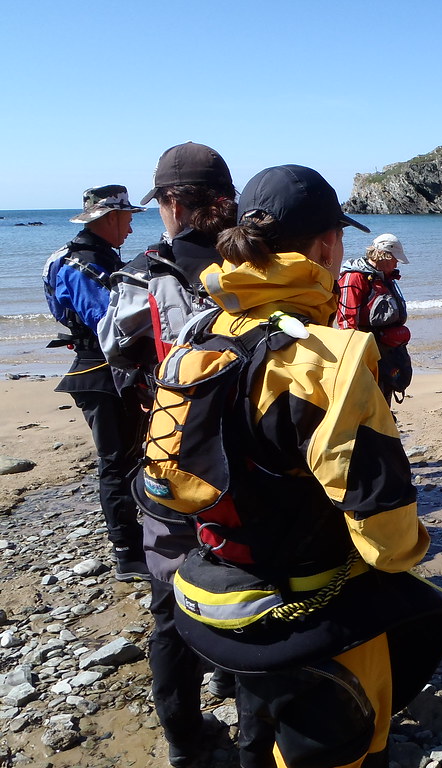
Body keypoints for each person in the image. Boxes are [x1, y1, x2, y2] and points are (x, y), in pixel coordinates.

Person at [151, 165, 442, 768]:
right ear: (327, 246)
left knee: (260, 728)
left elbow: (166, 482)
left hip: (216, 599)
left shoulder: (199, 336)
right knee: (347, 739)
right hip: (312, 612)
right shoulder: (329, 361)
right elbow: (389, 537)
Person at [98, 142, 239, 768]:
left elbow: (115, 347)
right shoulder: (257, 263)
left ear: (173, 204)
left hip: (174, 459)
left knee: (169, 603)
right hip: (253, 457)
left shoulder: (143, 275)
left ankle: (184, 739)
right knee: (251, 575)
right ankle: (239, 684)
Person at [42, 185, 149, 581]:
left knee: (126, 459)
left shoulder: (76, 258)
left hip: (99, 369)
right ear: (109, 218)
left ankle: (136, 542)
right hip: (102, 374)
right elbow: (112, 326)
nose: (131, 228)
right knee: (117, 463)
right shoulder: (84, 265)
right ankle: (127, 552)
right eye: (128, 219)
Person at [337, 233, 412, 405]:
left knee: (385, 394)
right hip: (369, 353)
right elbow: (347, 323)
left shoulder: (384, 277)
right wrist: (357, 361)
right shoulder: (354, 278)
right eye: (395, 259)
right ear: (385, 256)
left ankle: (385, 416)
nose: (396, 264)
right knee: (371, 400)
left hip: (388, 352)